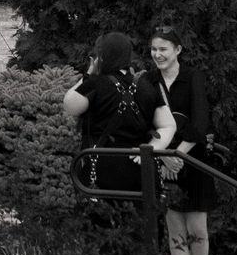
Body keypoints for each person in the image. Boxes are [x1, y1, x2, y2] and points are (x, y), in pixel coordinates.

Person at [148, 23, 217, 255]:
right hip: (164, 162)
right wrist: (164, 157)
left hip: (194, 157)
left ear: (177, 50)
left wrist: (179, 154)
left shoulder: (193, 77)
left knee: (198, 230)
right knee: (175, 229)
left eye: (163, 49)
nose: (158, 54)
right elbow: (146, 123)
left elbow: (201, 121)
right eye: (154, 49)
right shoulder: (149, 81)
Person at [63, 32, 176, 200]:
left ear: (101, 56)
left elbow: (70, 105)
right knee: (140, 223)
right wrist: (151, 148)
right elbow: (168, 125)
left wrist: (89, 74)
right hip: (140, 172)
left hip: (102, 173)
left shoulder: (95, 83)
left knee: (102, 223)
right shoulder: (144, 86)